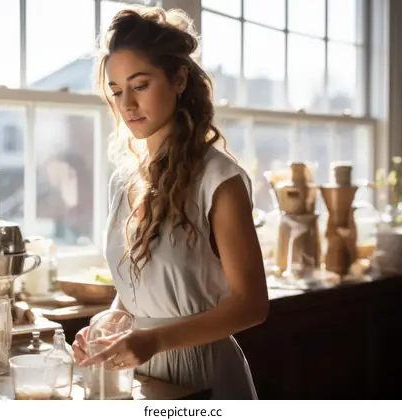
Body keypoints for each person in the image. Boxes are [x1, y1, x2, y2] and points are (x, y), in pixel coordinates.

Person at [72, 5, 269, 400]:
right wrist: (112, 320)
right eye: (115, 91)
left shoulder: (219, 179)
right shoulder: (123, 181)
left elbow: (252, 305)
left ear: (178, 79)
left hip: (204, 373)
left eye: (140, 85)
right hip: (140, 375)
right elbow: (141, 287)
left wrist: (154, 339)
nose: (126, 104)